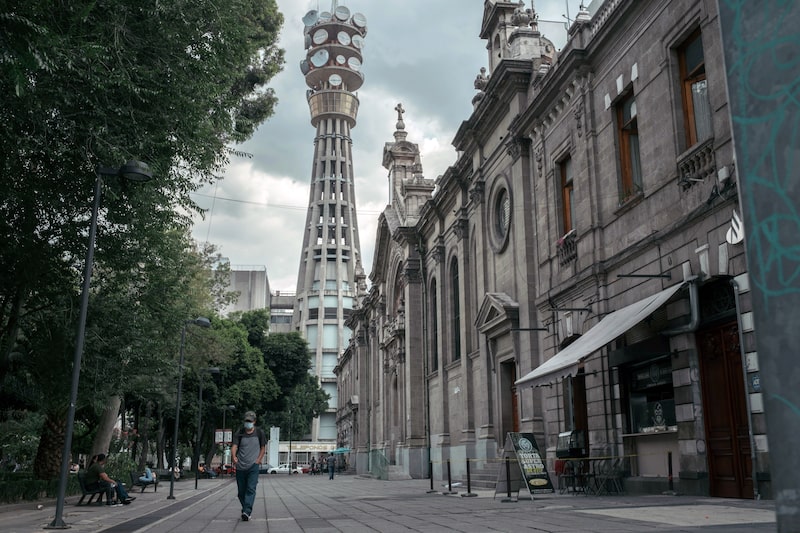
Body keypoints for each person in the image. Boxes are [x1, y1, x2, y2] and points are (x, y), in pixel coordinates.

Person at [230, 410, 266, 522]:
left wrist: (258, 460)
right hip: (240, 466)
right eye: (246, 421)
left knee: (251, 489)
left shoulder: (259, 433)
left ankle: (247, 511)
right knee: (241, 492)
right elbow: (234, 446)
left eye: (250, 421)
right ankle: (245, 508)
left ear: (254, 421)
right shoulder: (240, 433)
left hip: (253, 467)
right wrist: (233, 456)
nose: (248, 423)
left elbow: (263, 448)